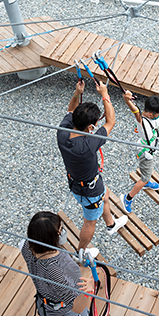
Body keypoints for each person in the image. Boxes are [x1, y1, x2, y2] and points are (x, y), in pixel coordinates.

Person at [57, 80, 127, 257]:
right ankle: (81, 251)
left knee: (106, 194)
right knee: (89, 222)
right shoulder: (88, 143)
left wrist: (76, 92)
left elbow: (70, 110)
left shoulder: (62, 132)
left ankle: (111, 225)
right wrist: (105, 94)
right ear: (90, 127)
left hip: (77, 183)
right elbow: (111, 121)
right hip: (89, 190)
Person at [21, 211, 107, 316]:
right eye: (60, 230)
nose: (63, 232)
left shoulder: (26, 246)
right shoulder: (60, 269)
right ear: (52, 238)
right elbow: (77, 308)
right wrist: (90, 290)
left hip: (45, 305)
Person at [120, 91, 159, 213]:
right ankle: (127, 198)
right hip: (145, 154)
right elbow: (135, 111)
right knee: (144, 178)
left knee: (147, 171)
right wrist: (127, 100)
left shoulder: (152, 119)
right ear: (149, 114)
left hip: (148, 151)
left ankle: (146, 182)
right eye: (157, 115)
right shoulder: (142, 121)